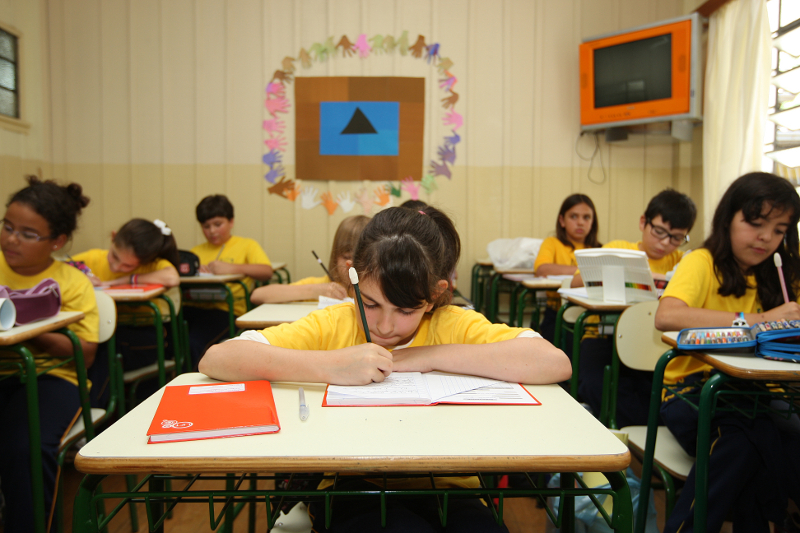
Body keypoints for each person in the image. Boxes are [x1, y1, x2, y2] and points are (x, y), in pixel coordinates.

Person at [200, 206, 571, 533]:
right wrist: (332, 365)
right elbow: (217, 359)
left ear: (435, 294)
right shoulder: (335, 323)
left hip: (451, 486)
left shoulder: (453, 324)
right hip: (352, 485)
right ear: (353, 278)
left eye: (406, 310)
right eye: (371, 303)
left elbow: (554, 362)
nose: (385, 326)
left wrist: (427, 356)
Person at [654, 172, 800, 533]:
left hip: (761, 395)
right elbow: (667, 316)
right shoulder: (702, 262)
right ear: (728, 218)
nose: (766, 237)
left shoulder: (783, 275)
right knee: (745, 438)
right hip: (691, 393)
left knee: (759, 438)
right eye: (756, 223)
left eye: (779, 230)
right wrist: (760, 319)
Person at [0, 176, 98, 533]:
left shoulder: (72, 283)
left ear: (56, 241)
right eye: (8, 227)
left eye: (28, 234)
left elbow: (85, 354)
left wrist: (31, 328)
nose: (12, 239)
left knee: (24, 447)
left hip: (53, 377)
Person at [572, 188, 697, 427]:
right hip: (603, 336)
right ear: (643, 222)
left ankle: (630, 433)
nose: (665, 242)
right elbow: (577, 281)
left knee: (656, 397)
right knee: (595, 385)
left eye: (676, 238)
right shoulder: (618, 249)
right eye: (659, 231)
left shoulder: (683, 262)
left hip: (653, 343)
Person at [72, 218, 180, 403]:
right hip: (108, 332)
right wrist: (80, 278)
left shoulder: (153, 265)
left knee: (104, 348)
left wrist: (122, 280)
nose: (116, 267)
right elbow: (58, 269)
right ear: (113, 237)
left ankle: (95, 408)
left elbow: (172, 278)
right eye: (114, 256)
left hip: (146, 336)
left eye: (128, 266)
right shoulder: (93, 258)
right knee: (93, 342)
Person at [185, 195, 273, 368]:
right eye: (206, 226)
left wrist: (232, 268)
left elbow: (266, 271)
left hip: (227, 310)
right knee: (171, 335)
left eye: (218, 224)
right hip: (195, 307)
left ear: (231, 221)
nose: (212, 231)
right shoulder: (195, 252)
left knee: (193, 342)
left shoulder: (247, 245)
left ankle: (190, 376)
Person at [250, 215, 368, 305]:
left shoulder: (377, 289)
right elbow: (257, 295)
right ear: (335, 257)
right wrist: (314, 291)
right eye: (346, 257)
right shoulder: (325, 285)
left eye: (361, 259)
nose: (351, 265)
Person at [533, 194, 601, 345]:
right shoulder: (552, 243)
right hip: (558, 314)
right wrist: (582, 272)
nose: (580, 222)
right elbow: (542, 269)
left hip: (593, 317)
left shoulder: (599, 249)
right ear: (562, 220)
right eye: (574, 216)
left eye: (586, 217)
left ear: (593, 222)